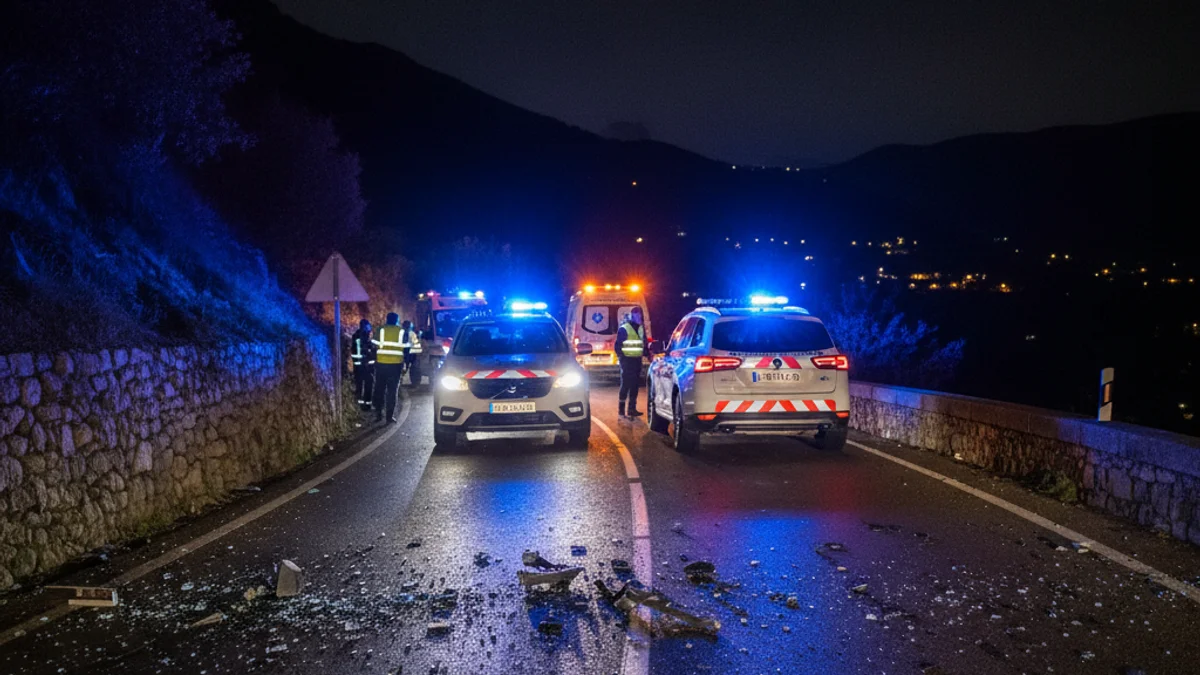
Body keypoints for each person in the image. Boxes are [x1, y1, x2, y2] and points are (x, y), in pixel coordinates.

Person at [372, 312, 405, 423]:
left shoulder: (380, 329)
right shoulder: (401, 331)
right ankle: (389, 416)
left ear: (387, 319)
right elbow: (406, 347)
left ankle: (378, 414)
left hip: (381, 363)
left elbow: (374, 344)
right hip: (396, 365)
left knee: (379, 389)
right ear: (396, 320)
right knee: (392, 391)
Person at [614, 307, 646, 417]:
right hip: (627, 361)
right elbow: (618, 346)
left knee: (635, 385)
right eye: (638, 315)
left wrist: (647, 353)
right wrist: (622, 359)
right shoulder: (625, 329)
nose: (640, 317)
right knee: (626, 384)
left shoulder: (640, 328)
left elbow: (642, 343)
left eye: (641, 315)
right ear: (633, 316)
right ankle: (621, 409)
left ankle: (632, 409)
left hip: (637, 360)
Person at [350, 319, 376, 411]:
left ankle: (360, 405)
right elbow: (367, 351)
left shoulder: (356, 335)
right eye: (368, 326)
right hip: (366, 366)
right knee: (368, 385)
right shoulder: (364, 336)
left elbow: (354, 351)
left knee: (359, 386)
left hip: (358, 365)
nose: (369, 328)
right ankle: (367, 406)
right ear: (365, 326)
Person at [401, 319, 423, 386]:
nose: (408, 328)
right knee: (403, 370)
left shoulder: (411, 334)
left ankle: (415, 384)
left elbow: (416, 345)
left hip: (410, 355)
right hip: (405, 354)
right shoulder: (402, 334)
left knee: (414, 369)